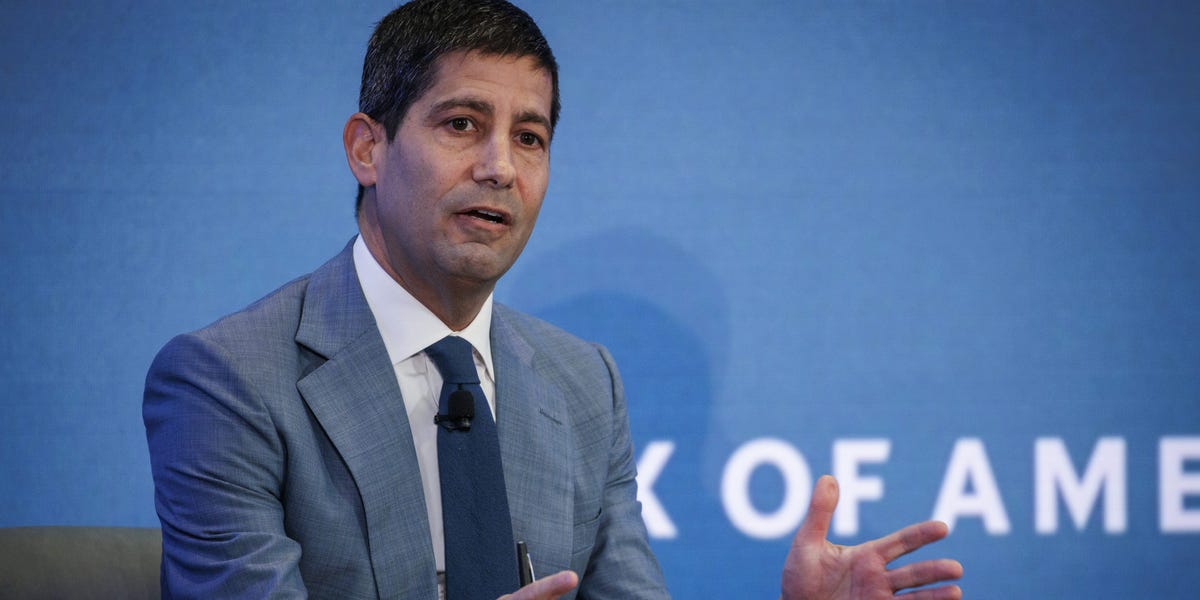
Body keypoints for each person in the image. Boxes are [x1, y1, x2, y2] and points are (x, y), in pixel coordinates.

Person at [143, 1, 964, 598]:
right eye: (462, 124)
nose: (500, 167)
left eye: (529, 137)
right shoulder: (231, 380)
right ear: (368, 148)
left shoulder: (582, 384)